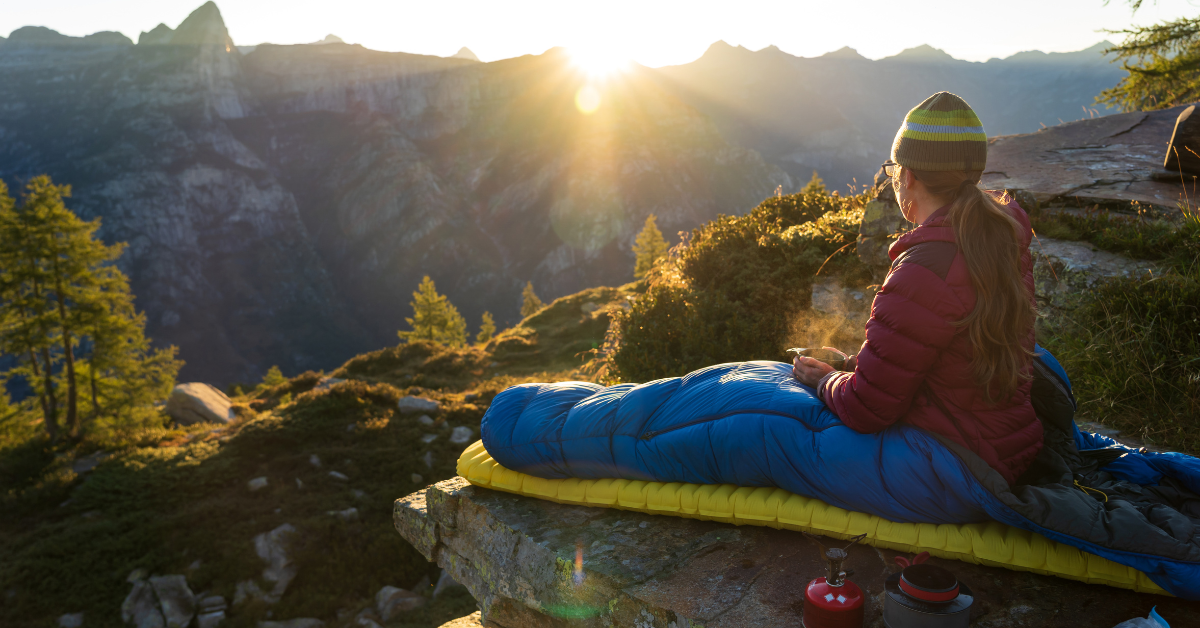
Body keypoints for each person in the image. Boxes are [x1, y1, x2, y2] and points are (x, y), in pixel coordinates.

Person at [792, 92, 1043, 485]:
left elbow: (866, 410)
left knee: (780, 434)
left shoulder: (924, 268)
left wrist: (824, 381)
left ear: (908, 175)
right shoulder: (1000, 237)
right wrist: (857, 367)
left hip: (954, 467)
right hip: (1008, 448)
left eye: (894, 169)